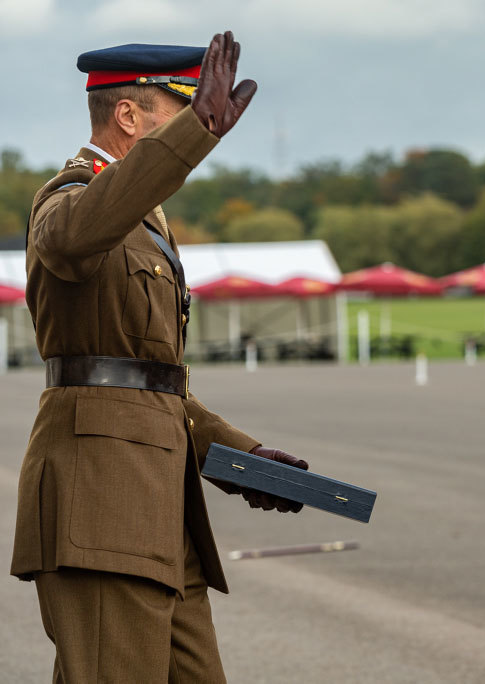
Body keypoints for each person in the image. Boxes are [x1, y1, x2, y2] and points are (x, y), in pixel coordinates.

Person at [10, 33, 308, 682]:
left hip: (158, 506)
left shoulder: (141, 217)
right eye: (183, 113)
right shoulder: (66, 201)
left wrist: (237, 454)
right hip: (100, 502)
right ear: (128, 117)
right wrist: (193, 138)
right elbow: (80, 233)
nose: (197, 132)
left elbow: (150, 382)